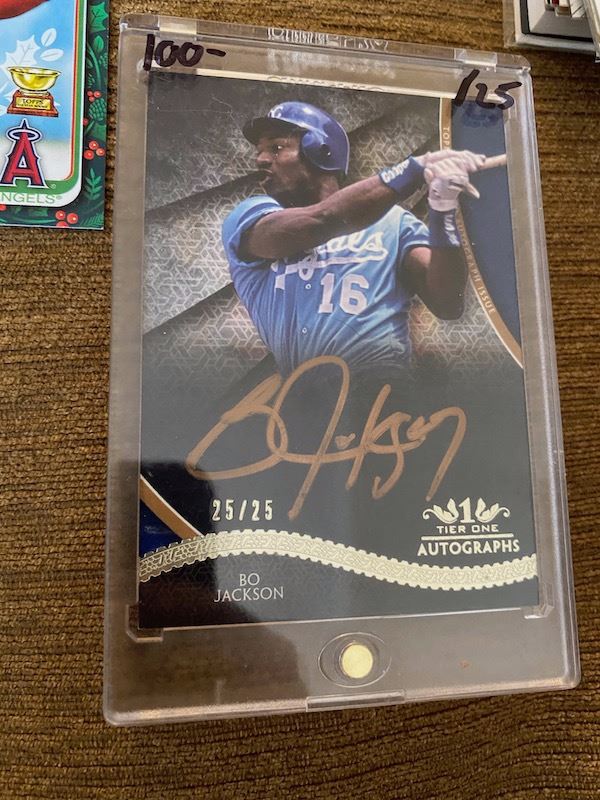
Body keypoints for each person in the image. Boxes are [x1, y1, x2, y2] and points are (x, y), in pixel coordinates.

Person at [222, 101, 486, 376]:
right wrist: (414, 169)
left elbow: (448, 303)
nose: (260, 160)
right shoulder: (249, 220)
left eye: (276, 148)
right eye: (259, 152)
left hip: (385, 392)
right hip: (303, 394)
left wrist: (443, 210)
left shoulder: (392, 222)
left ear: (319, 149)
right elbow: (323, 220)